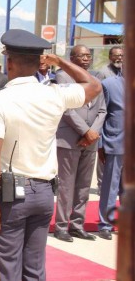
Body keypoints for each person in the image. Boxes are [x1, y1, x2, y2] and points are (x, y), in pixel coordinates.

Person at [0, 29, 101, 281]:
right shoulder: (55, 94)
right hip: (44, 194)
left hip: (11, 198)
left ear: (9, 62)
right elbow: (94, 86)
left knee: (7, 269)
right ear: (40, 62)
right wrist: (60, 61)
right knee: (34, 269)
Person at [53, 45, 106, 242]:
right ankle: (61, 226)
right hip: (69, 139)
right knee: (66, 185)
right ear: (72, 58)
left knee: (84, 185)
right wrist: (85, 131)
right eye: (81, 55)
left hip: (91, 141)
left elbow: (102, 111)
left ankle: (77, 224)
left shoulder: (96, 80)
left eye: (88, 55)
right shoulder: (62, 77)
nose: (86, 58)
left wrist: (93, 133)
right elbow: (66, 109)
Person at [97, 72, 125, 240]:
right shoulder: (109, 84)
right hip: (115, 143)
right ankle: (106, 224)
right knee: (110, 187)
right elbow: (102, 114)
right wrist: (100, 145)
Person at [96, 46, 123, 193]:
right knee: (104, 163)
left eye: (121, 55)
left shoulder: (124, 74)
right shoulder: (103, 74)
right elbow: (100, 102)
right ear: (110, 57)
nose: (119, 58)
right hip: (108, 126)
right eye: (116, 55)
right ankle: (102, 187)